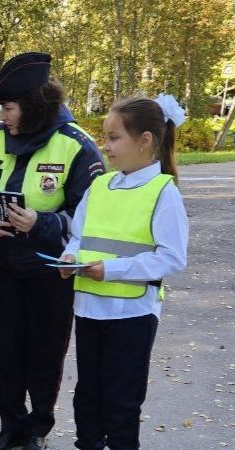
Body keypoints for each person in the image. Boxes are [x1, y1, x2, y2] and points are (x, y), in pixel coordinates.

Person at [0, 52, 105, 450]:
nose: (3, 115)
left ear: (33, 104)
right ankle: (10, 426)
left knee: (44, 355)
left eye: (9, 108)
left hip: (51, 271)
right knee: (8, 352)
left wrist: (41, 224)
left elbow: (89, 216)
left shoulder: (76, 146)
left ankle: (36, 430)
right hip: (6, 266)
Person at [58, 95, 189, 450]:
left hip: (132, 314)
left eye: (115, 138)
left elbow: (172, 258)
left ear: (145, 140)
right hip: (88, 310)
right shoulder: (100, 186)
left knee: (121, 404)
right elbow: (78, 235)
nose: (106, 146)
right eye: (106, 137)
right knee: (87, 397)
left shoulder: (163, 192)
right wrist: (70, 258)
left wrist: (111, 270)